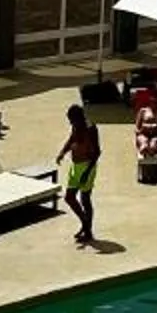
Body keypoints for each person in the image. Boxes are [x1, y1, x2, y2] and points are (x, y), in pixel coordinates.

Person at [59, 102, 102, 247]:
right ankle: (85, 224)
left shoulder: (91, 128)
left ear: (79, 117)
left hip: (87, 166)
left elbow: (97, 152)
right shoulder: (76, 125)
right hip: (75, 166)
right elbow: (72, 139)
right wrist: (62, 152)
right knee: (69, 197)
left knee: (85, 199)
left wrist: (87, 172)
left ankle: (88, 231)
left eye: (72, 120)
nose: (70, 122)